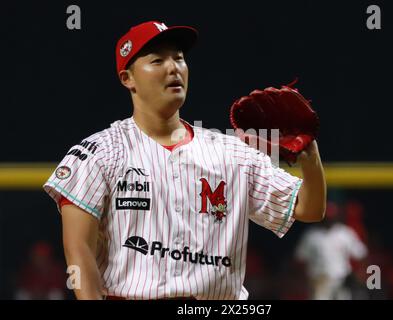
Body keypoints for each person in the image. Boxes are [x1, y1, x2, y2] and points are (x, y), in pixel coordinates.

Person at [43, 20, 327, 300]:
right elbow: (78, 249)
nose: (173, 68)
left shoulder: (231, 152)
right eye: (157, 61)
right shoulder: (100, 152)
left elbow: (308, 208)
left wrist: (310, 155)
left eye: (179, 58)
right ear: (127, 78)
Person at [294, 201, 367, 300]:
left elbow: (361, 254)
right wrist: (305, 279)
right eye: (327, 217)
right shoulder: (311, 235)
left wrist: (359, 273)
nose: (329, 219)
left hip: (342, 279)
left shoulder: (344, 233)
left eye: (331, 216)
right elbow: (300, 259)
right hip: (319, 279)